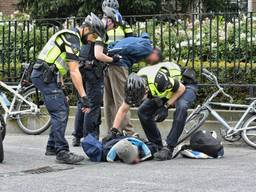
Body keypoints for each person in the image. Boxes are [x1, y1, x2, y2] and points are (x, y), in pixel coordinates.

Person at [31, 13, 106, 164]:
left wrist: (61, 86)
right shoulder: (72, 38)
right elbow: (74, 70)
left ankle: (52, 146)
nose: (92, 41)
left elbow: (59, 63)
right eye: (93, 36)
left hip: (47, 75)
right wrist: (84, 97)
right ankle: (61, 151)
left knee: (62, 106)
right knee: (60, 111)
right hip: (44, 76)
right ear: (86, 29)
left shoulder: (71, 36)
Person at [106, 62, 198, 161]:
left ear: (145, 90)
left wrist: (166, 107)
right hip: (166, 90)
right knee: (142, 111)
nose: (139, 100)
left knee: (181, 107)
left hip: (185, 85)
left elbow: (181, 89)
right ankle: (157, 145)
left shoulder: (159, 80)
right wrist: (113, 131)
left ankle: (169, 148)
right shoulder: (134, 87)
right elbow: (123, 109)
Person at [72, 7, 124, 146]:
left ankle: (77, 137)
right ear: (109, 20)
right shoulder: (99, 32)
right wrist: (113, 60)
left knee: (82, 103)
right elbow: (98, 55)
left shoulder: (90, 29)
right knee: (93, 106)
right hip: (92, 72)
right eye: (114, 24)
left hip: (82, 69)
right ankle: (90, 138)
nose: (113, 28)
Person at [104, 33, 162, 137]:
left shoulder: (136, 40)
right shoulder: (147, 47)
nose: (150, 63)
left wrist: (110, 52)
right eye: (155, 61)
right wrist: (114, 53)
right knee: (123, 100)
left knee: (110, 101)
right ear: (155, 53)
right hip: (119, 65)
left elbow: (115, 44)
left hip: (109, 64)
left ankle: (111, 131)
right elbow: (127, 48)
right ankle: (128, 131)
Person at [82, 133, 159, 164]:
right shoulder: (106, 152)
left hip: (131, 140)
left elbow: (155, 147)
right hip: (116, 142)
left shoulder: (148, 149)